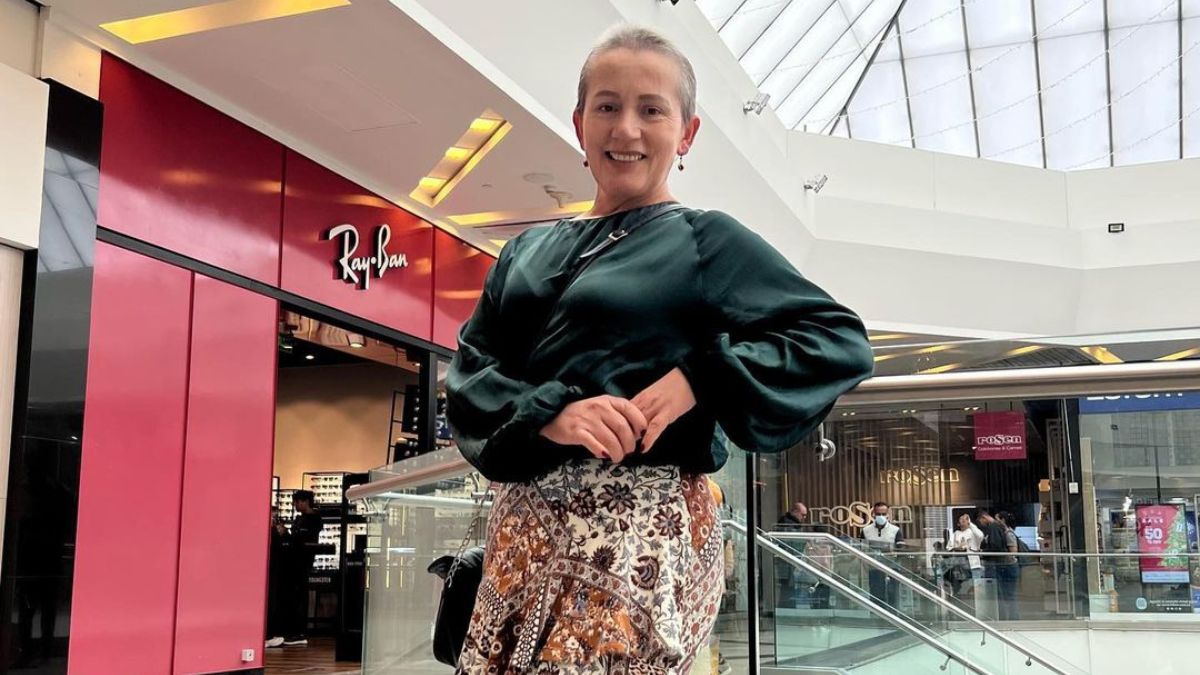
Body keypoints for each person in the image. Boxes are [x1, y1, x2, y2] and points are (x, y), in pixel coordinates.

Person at [446, 24, 874, 674]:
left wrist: (701, 377)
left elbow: (835, 339)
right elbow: (471, 373)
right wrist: (552, 414)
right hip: (524, 533)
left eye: (652, 110)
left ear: (686, 133)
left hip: (636, 538)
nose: (627, 129)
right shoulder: (526, 250)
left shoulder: (704, 240)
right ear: (579, 123)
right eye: (608, 106)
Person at [273, 491, 323, 647]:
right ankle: (292, 631)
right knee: (293, 596)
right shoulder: (301, 519)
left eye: (296, 502)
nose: (294, 505)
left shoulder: (313, 520)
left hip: (301, 563)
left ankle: (298, 632)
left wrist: (286, 533)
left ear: (305, 501)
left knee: (298, 596)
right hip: (294, 563)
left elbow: (300, 540)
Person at [861, 502, 904, 608]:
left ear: (888, 514)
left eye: (883, 514)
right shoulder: (866, 530)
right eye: (878, 514)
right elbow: (862, 549)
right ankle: (876, 615)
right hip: (874, 569)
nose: (881, 516)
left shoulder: (895, 530)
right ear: (873, 514)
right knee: (876, 595)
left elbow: (902, 550)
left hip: (892, 568)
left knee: (893, 596)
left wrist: (894, 553)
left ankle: (893, 615)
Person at [992, 511, 1022, 621]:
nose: (995, 522)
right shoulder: (1003, 533)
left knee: (1010, 594)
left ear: (1002, 520)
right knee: (1005, 594)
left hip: (1009, 567)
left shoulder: (1009, 534)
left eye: (997, 519)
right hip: (1005, 566)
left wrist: (1003, 554)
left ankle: (1014, 617)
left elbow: (1013, 552)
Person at [948, 512, 985, 600]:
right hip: (959, 564)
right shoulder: (955, 534)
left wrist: (970, 523)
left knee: (977, 586)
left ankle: (978, 602)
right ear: (958, 523)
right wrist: (958, 548)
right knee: (960, 586)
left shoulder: (973, 532)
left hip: (973, 564)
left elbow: (981, 536)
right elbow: (949, 547)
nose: (963, 520)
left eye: (965, 519)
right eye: (961, 519)